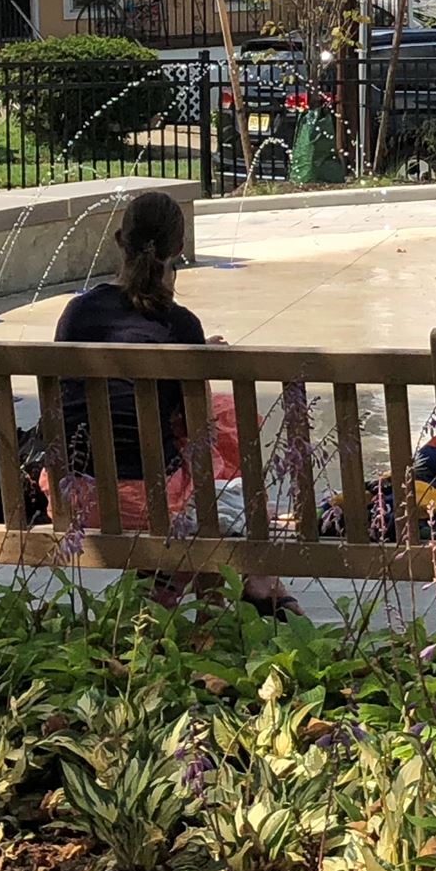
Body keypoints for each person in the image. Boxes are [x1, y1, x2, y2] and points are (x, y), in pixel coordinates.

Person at [51, 189, 298, 615]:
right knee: (222, 439)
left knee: (203, 495)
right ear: (179, 251)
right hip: (149, 502)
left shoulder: (77, 314)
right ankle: (252, 596)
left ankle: (167, 600)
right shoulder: (180, 325)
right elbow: (193, 425)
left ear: (118, 240)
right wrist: (197, 355)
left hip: (75, 495)